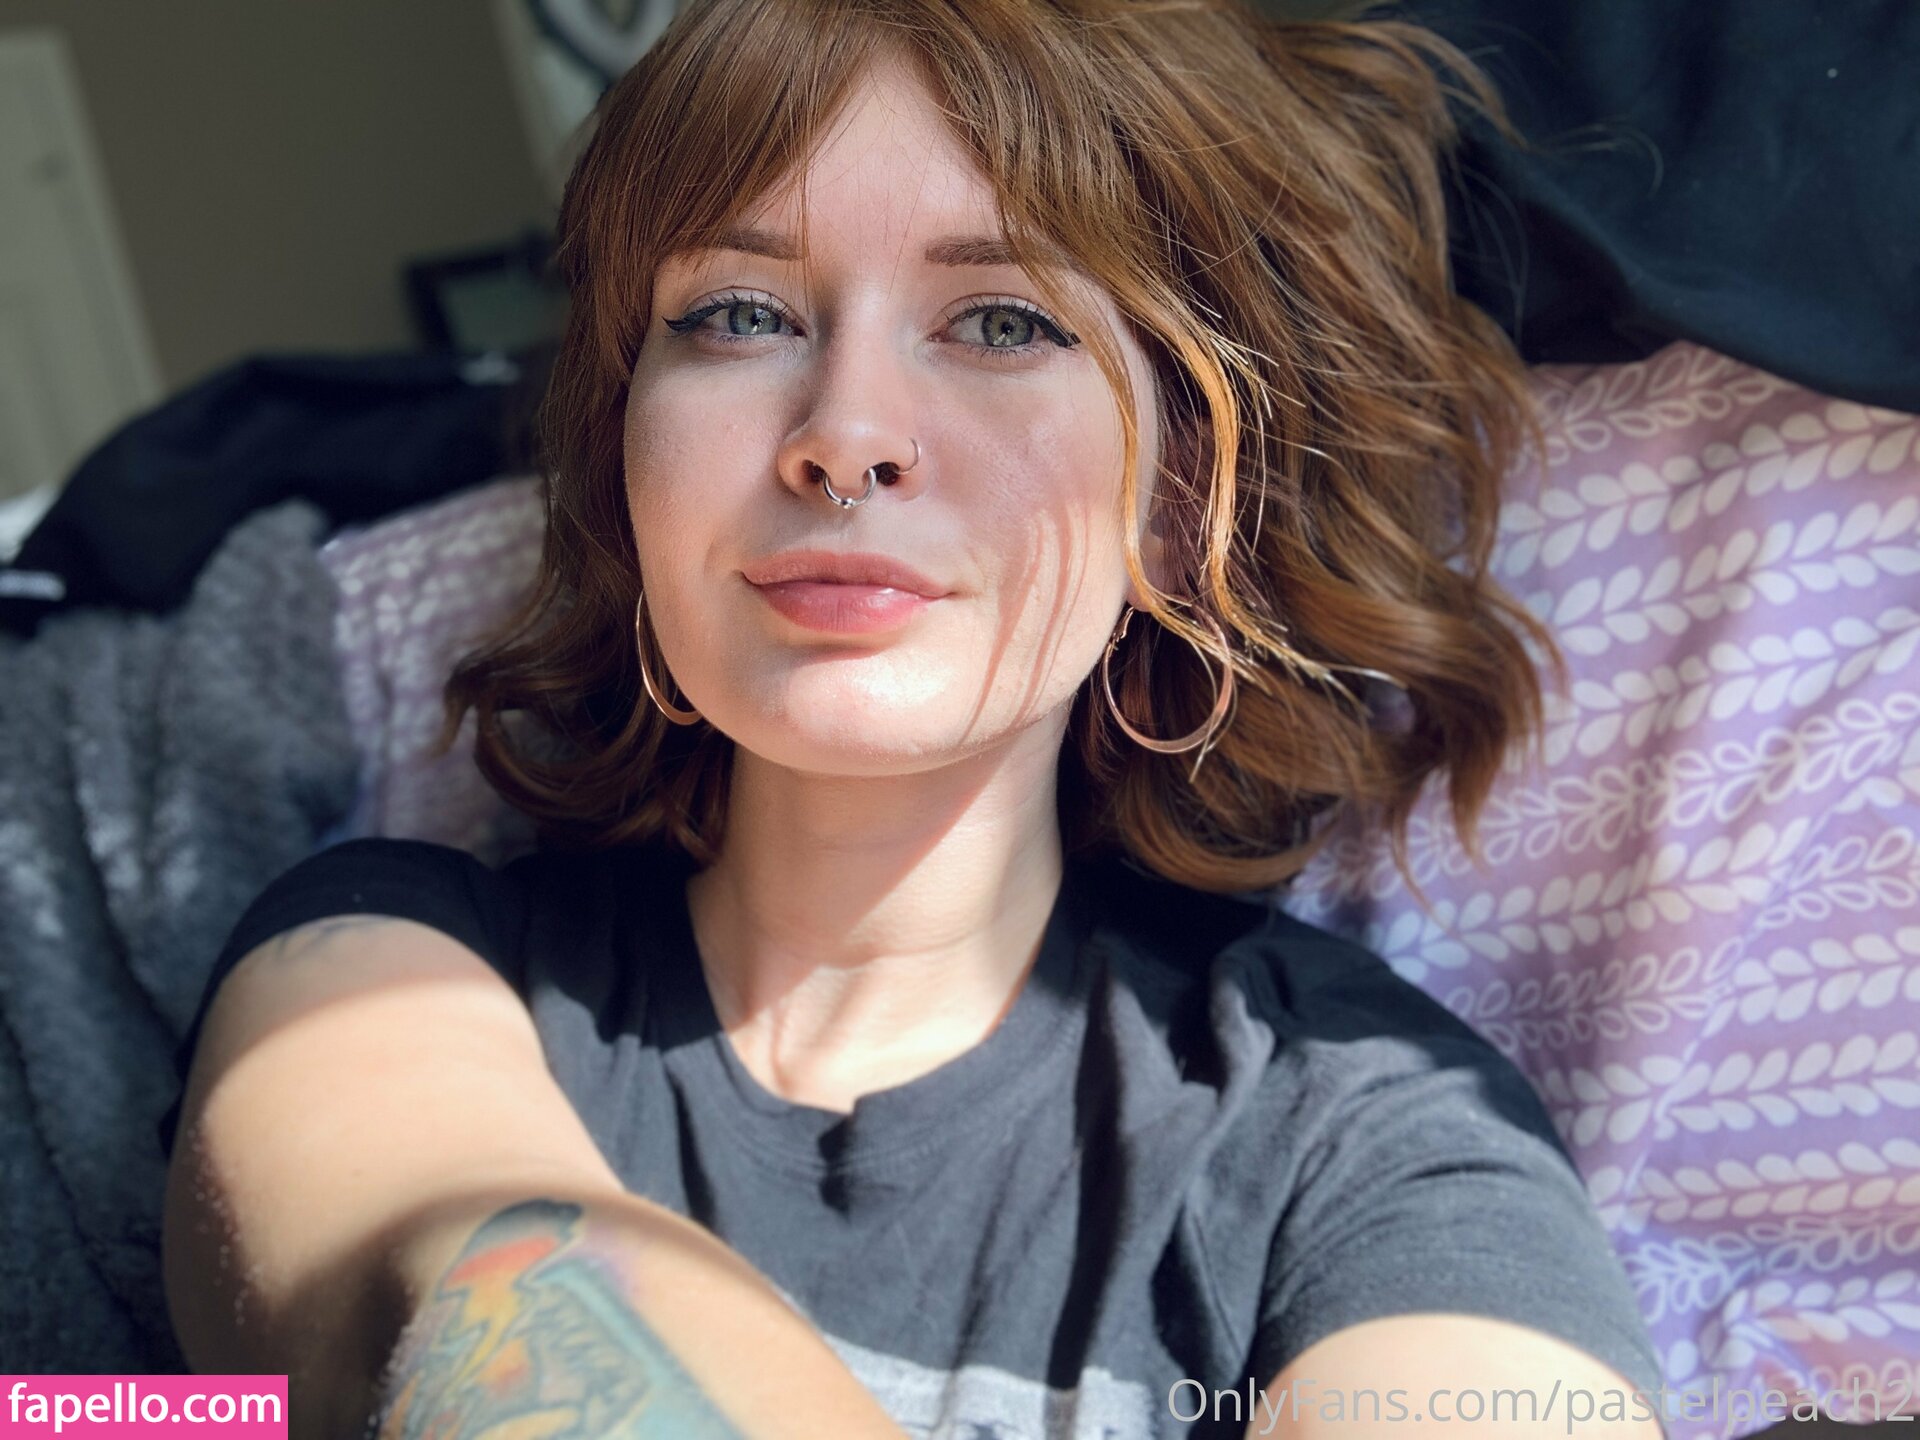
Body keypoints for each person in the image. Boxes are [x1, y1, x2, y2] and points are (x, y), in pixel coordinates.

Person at [158, 0, 1671, 1435]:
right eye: (738, 313)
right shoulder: (376, 967)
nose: (844, 438)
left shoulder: (1379, 1137)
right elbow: (460, 1316)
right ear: (628, 466)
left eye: (1003, 321)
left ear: (1179, 504)